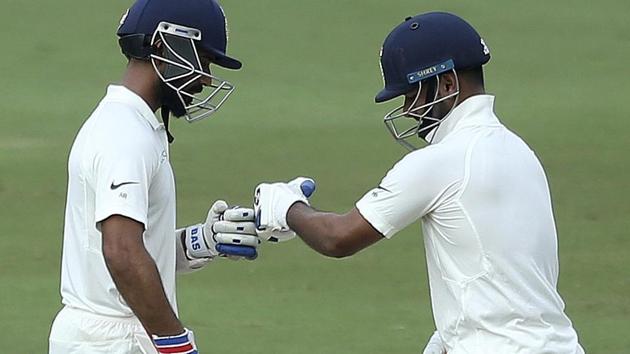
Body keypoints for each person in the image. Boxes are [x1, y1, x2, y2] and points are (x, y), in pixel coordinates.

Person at [253, 12, 584, 354]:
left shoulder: (441, 160)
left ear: (447, 84)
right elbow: (510, 267)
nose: (409, 110)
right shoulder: (520, 152)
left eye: (411, 94)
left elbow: (337, 238)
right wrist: (452, 332)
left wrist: (287, 206)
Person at [48, 0, 260, 353]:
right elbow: (121, 251)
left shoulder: (130, 125)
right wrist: (176, 345)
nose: (206, 79)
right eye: (203, 61)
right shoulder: (124, 136)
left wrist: (201, 241)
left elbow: (129, 249)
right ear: (163, 44)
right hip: (118, 340)